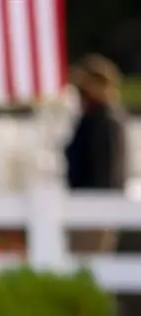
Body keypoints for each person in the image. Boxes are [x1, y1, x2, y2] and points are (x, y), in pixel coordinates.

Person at [64, 54, 130, 255]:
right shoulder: (93, 118)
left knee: (88, 262)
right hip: (85, 205)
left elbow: (106, 173)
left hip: (95, 208)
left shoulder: (106, 121)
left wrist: (99, 208)